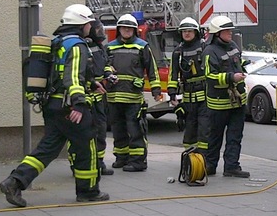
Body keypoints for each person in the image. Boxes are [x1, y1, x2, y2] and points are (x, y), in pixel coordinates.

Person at [0, 4, 109, 207]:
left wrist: (92, 83)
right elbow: (72, 77)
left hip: (52, 105)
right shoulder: (77, 45)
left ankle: (14, 182)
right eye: (89, 23)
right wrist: (79, 105)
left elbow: (57, 73)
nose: (90, 27)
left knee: (47, 149)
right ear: (82, 24)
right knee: (87, 147)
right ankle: (88, 191)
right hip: (70, 107)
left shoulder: (57, 42)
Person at [105, 13, 162, 172]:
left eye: (130, 28)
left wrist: (156, 90)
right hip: (114, 96)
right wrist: (108, 71)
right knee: (118, 129)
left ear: (135, 30)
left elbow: (152, 70)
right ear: (119, 29)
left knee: (135, 129)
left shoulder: (142, 46)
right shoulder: (109, 47)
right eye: (124, 28)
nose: (127, 31)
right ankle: (121, 158)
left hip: (133, 97)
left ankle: (138, 161)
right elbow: (103, 67)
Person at [203, 16, 250, 178]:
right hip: (219, 104)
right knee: (215, 137)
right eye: (226, 31)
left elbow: (238, 63)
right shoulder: (209, 52)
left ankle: (231, 166)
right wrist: (231, 77)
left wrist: (244, 68)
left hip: (237, 102)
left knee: (235, 137)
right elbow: (210, 76)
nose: (230, 33)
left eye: (230, 30)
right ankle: (210, 166)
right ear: (217, 33)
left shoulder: (233, 46)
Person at [167, 17, 210, 157]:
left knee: (204, 128)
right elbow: (173, 74)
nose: (186, 34)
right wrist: (172, 94)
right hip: (188, 98)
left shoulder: (204, 48)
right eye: (184, 31)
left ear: (196, 32)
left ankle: (204, 159)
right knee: (190, 129)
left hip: (205, 97)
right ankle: (190, 159)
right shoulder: (178, 52)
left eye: (189, 31)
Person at [86, 18, 115, 176]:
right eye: (98, 30)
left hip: (100, 99)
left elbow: (105, 64)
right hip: (86, 97)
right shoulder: (83, 46)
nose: (101, 33)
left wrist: (109, 74)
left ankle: (99, 163)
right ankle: (79, 164)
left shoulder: (99, 47)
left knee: (101, 132)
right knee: (84, 134)